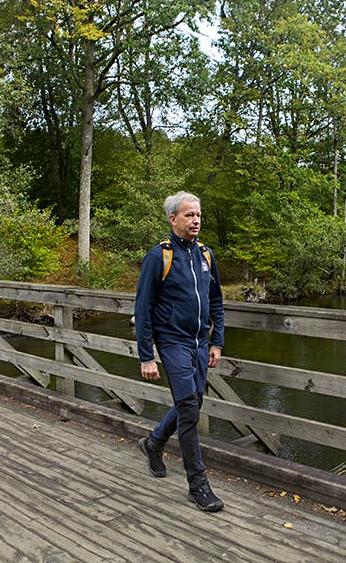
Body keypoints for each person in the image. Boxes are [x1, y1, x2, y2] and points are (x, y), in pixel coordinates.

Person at [133, 191, 225, 512]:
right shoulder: (159, 257)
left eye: (198, 215)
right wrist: (146, 355)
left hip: (200, 343)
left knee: (193, 402)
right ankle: (197, 483)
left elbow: (216, 301)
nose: (196, 220)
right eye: (189, 215)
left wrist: (217, 341)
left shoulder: (205, 255)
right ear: (173, 219)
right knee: (188, 409)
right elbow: (143, 309)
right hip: (172, 342)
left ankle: (154, 442)